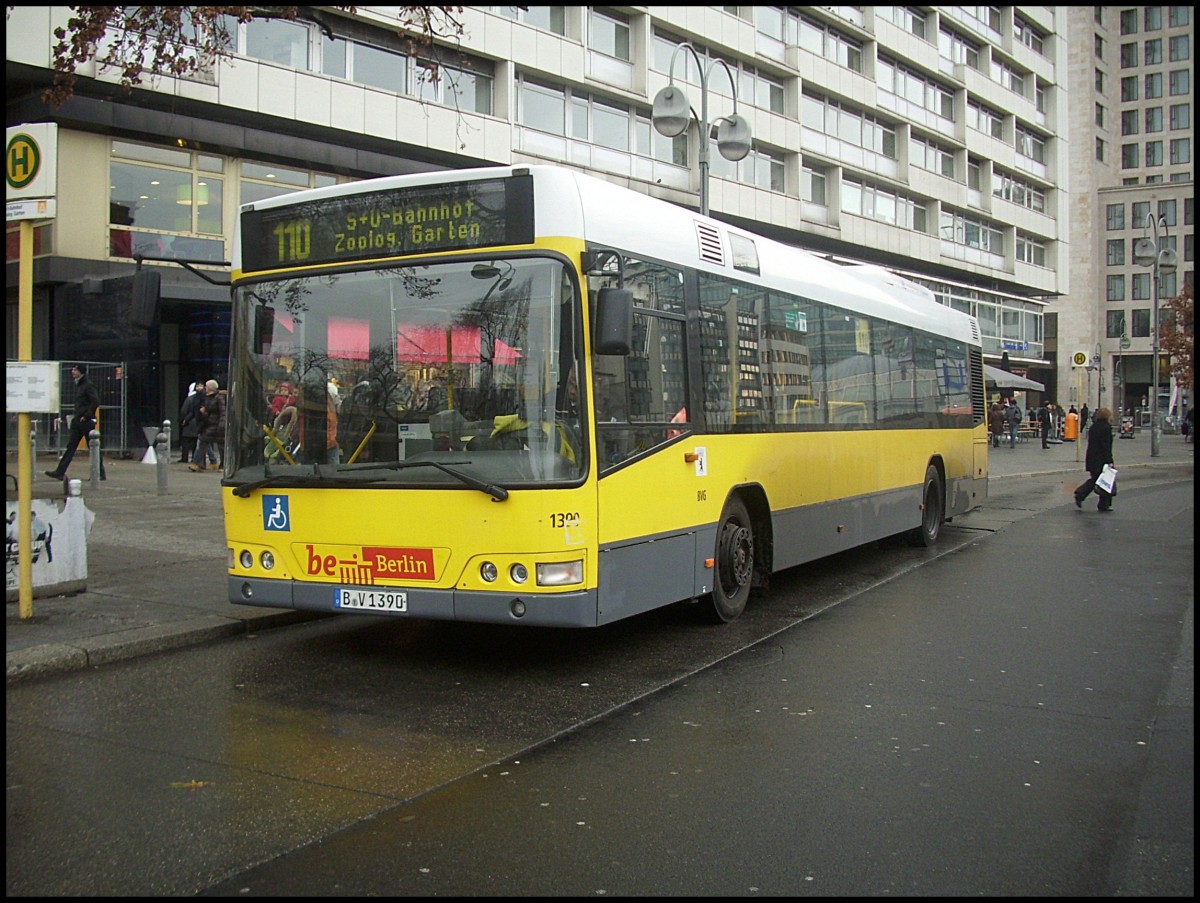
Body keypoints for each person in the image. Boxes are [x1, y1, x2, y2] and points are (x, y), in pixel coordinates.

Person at [45, 363, 106, 481]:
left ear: (81, 372)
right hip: (78, 420)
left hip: (85, 421)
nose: (72, 371)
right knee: (71, 447)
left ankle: (100, 473)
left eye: (75, 369)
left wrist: (87, 415)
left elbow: (95, 401)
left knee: (93, 447)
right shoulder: (80, 385)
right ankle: (60, 471)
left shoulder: (88, 386)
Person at [1074, 407, 1115, 512]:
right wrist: (1109, 460)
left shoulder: (1093, 427)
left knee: (1100, 480)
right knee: (1100, 480)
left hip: (1092, 457)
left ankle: (1103, 504)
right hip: (1101, 459)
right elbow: (1106, 446)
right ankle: (1080, 494)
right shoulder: (1106, 428)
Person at [189, 379, 226, 472]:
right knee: (203, 441)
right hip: (208, 424)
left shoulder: (219, 398)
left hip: (216, 425)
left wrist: (222, 425)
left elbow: (223, 413)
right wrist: (204, 412)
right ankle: (201, 463)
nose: (205, 388)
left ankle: (220, 464)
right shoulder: (208, 397)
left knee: (218, 445)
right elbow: (209, 411)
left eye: (207, 386)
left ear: (211, 388)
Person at [178, 380, 204, 464]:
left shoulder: (189, 399)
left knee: (186, 441)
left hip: (189, 423)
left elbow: (184, 410)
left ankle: (184, 457)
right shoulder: (202, 397)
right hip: (198, 423)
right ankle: (194, 457)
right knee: (195, 442)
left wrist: (183, 419)